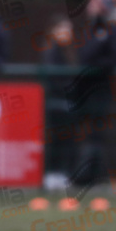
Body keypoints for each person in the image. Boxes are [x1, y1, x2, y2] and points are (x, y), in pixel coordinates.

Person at [69, 0, 116, 188]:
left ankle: (92, 176)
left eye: (94, 3)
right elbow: (83, 55)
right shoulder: (91, 28)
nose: (89, 6)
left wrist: (97, 65)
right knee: (84, 132)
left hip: (100, 88)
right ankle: (88, 174)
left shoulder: (113, 28)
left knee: (96, 133)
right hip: (83, 89)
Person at [42, 15, 77, 190]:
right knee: (54, 139)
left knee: (67, 140)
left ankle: (63, 174)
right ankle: (51, 174)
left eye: (68, 29)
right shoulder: (51, 51)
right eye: (62, 29)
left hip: (68, 104)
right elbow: (54, 78)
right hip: (55, 102)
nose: (66, 33)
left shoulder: (71, 52)